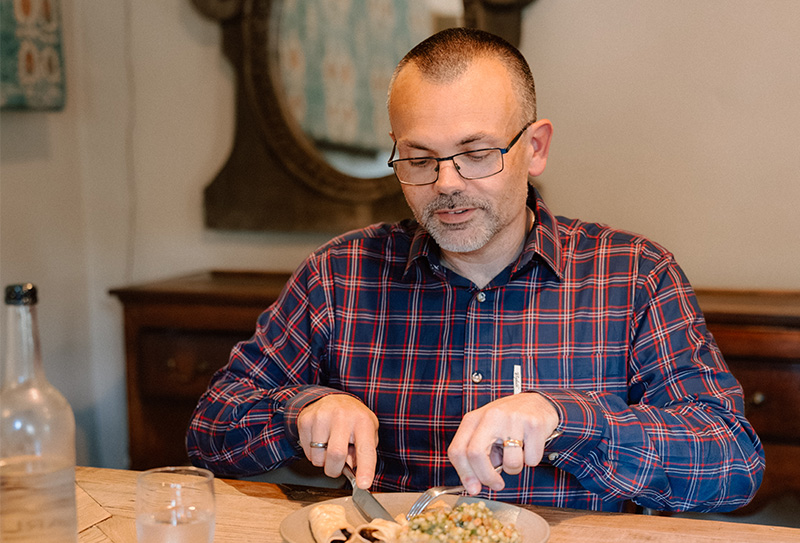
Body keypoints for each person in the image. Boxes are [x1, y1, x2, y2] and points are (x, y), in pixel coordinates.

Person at [187, 28, 764, 512]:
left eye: (478, 153)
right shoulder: (339, 276)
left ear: (535, 148)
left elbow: (732, 462)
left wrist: (567, 421)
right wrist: (300, 409)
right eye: (419, 159)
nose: (447, 183)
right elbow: (209, 429)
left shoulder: (634, 274)